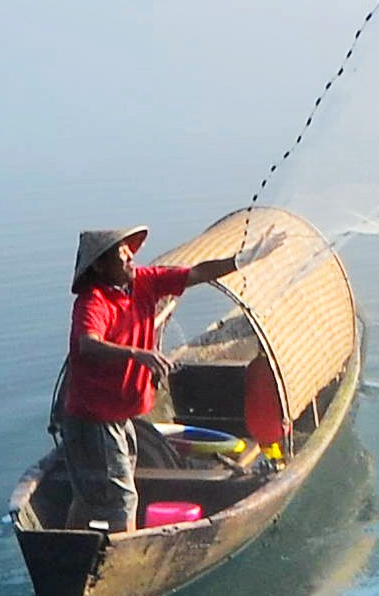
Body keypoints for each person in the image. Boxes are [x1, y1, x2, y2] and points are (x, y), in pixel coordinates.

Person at [43, 224, 241, 531]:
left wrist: (239, 261)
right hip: (94, 419)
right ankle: (122, 562)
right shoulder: (93, 301)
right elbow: (88, 343)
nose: (129, 259)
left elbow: (196, 274)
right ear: (100, 266)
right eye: (120, 255)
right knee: (122, 500)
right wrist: (137, 354)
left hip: (121, 415)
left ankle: (66, 547)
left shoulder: (144, 282)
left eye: (129, 252)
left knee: (90, 495)